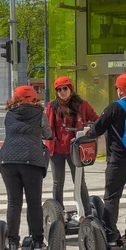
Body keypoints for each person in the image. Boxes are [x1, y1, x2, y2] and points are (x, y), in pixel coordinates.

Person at [82, 73, 126, 245]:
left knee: (112, 197)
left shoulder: (114, 107)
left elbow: (97, 129)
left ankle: (111, 236)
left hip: (119, 160)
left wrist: (86, 133)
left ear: (120, 90)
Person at [0, 85, 52, 250]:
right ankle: (38, 242)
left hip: (7, 160)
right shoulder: (40, 114)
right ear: (34, 98)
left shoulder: (9, 114)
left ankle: (12, 243)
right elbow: (47, 134)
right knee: (34, 203)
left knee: (14, 202)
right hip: (30, 160)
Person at [45, 76, 98, 213]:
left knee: (79, 181)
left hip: (75, 148)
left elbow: (96, 120)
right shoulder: (52, 106)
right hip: (56, 149)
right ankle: (58, 211)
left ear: (71, 89)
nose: (62, 92)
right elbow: (47, 126)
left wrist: (89, 129)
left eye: (65, 88)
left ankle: (86, 211)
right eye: (59, 89)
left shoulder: (82, 105)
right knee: (58, 182)